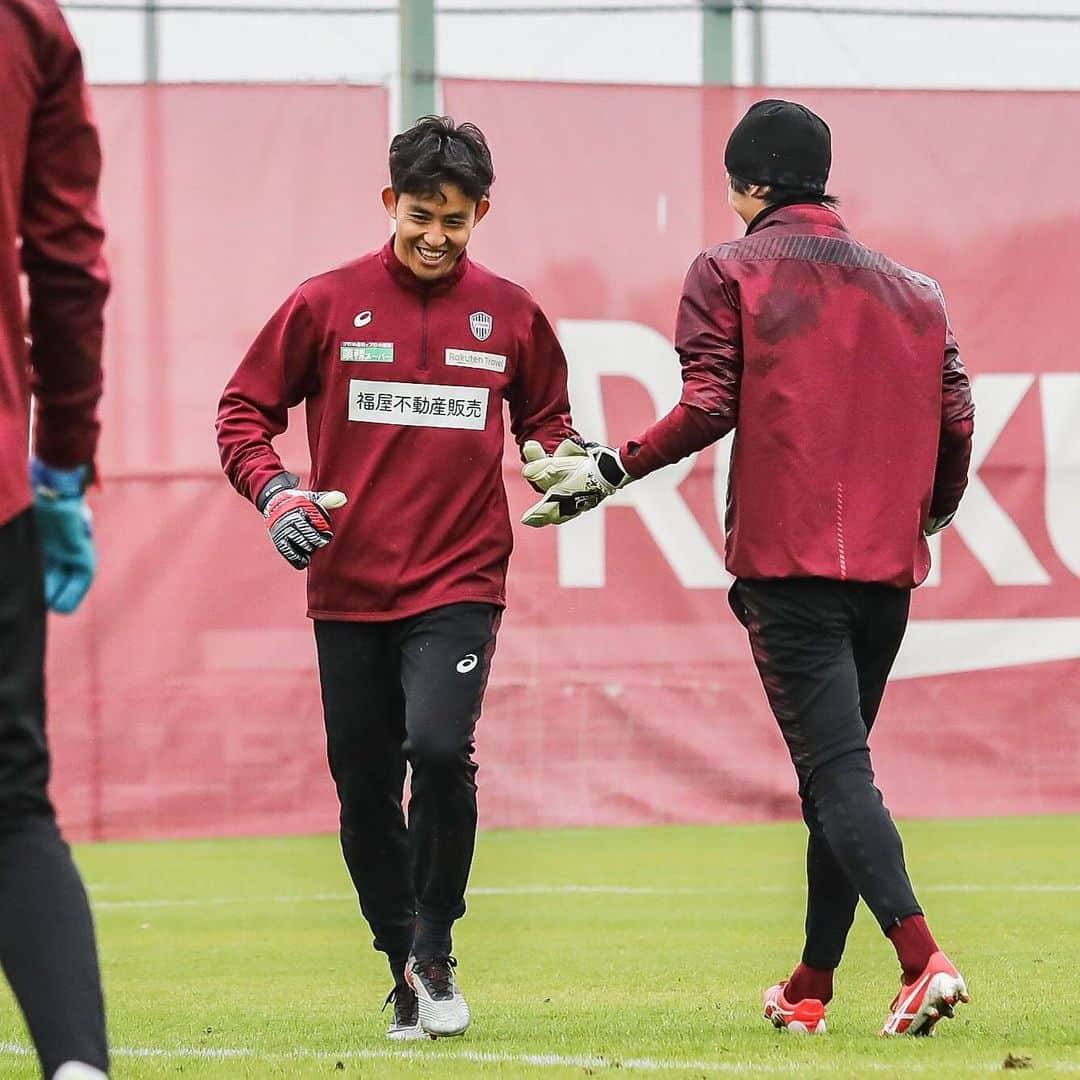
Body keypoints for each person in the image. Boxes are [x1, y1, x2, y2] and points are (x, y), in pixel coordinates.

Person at [521, 99, 975, 1038]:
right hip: (886, 575)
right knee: (833, 780)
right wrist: (933, 507)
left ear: (748, 186)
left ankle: (921, 958)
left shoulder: (727, 267)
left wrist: (615, 465)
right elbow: (957, 414)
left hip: (790, 567)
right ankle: (811, 984)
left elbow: (711, 399)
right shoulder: (917, 290)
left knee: (836, 773)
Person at [216, 116, 580, 1041]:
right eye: (421, 215)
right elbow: (241, 413)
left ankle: (435, 945)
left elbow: (550, 424)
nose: (435, 236)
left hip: (460, 577)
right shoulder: (326, 302)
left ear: (480, 214)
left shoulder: (512, 312)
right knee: (363, 781)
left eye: (454, 222)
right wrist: (278, 497)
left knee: (437, 749)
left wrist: (562, 463)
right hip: (347, 583)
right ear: (391, 203)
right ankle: (401, 963)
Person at [0, 2, 111, 1077]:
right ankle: (76, 1066)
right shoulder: (29, 24)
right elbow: (66, 261)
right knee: (9, 805)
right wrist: (61, 462)